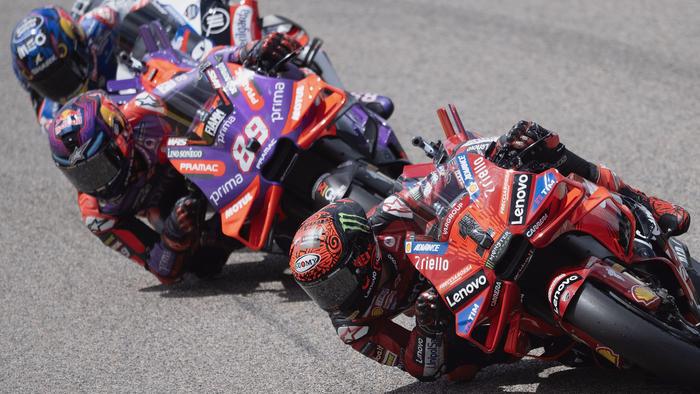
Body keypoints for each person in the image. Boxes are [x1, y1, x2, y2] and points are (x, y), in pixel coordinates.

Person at [287, 120, 691, 381]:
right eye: (320, 291)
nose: (331, 300)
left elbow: (438, 180)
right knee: (460, 370)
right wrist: (428, 327)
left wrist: (495, 151)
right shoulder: (351, 325)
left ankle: (645, 201)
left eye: (334, 284)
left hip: (469, 256)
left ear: (363, 257)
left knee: (540, 145)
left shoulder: (387, 221)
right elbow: (420, 367)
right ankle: (556, 334)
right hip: (450, 316)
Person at [46, 32, 316, 284]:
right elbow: (161, 269)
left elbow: (203, 70)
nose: (96, 183)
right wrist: (173, 238)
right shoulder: (98, 213)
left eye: (99, 166)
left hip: (208, 151)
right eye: (81, 175)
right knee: (201, 264)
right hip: (178, 203)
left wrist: (246, 51)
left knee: (269, 69)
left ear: (120, 137)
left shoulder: (141, 111)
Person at [11, 4, 121, 134]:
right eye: (48, 84)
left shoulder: (99, 22)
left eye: (65, 72)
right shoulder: (52, 119)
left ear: (78, 40)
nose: (62, 85)